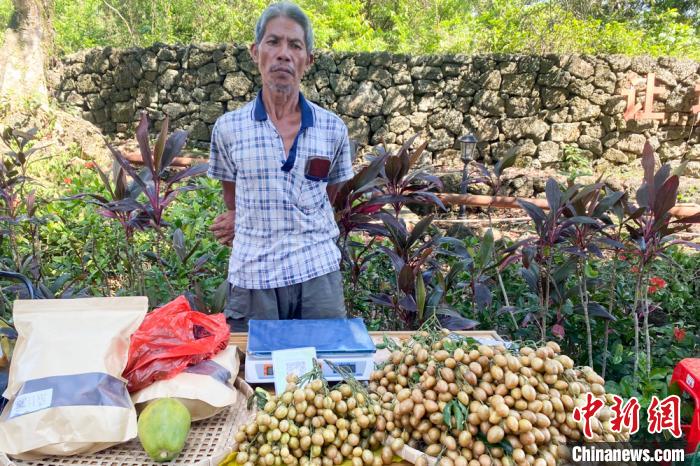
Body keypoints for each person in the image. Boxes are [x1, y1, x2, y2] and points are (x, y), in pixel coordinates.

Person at [207, 1, 354, 332]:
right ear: (255, 51)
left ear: (308, 60)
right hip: (253, 278)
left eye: (295, 45)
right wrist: (242, 219)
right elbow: (233, 202)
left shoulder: (332, 129)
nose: (283, 54)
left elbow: (329, 197)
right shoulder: (229, 129)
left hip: (317, 276)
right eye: (273, 42)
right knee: (253, 377)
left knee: (326, 373)